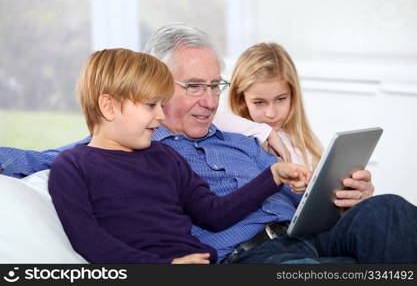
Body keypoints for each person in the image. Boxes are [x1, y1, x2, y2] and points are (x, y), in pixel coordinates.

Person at [1, 23, 416, 263]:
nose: (210, 100)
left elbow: (291, 197)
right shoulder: (130, 150)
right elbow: (38, 159)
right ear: (157, 86)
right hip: (250, 255)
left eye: (215, 85)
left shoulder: (245, 140)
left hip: (307, 232)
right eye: (194, 86)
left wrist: (341, 197)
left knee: (388, 211)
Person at [48, 48, 310, 264]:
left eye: (162, 105)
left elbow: (214, 214)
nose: (161, 116)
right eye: (151, 105)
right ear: (109, 107)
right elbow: (90, 242)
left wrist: (272, 176)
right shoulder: (72, 166)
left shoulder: (164, 156)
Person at [226, 42, 321, 170]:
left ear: (292, 95)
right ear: (241, 100)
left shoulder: (307, 144)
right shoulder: (236, 142)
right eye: (259, 102)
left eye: (280, 99)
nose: (271, 113)